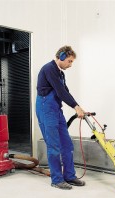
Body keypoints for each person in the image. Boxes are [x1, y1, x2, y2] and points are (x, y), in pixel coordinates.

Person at [36, 45, 85, 190]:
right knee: (54, 145)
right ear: (62, 57)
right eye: (69, 61)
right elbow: (59, 91)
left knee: (67, 145)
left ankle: (69, 176)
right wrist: (76, 107)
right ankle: (57, 179)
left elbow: (65, 92)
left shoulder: (60, 73)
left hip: (56, 109)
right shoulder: (49, 69)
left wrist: (78, 106)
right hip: (46, 109)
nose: (70, 65)